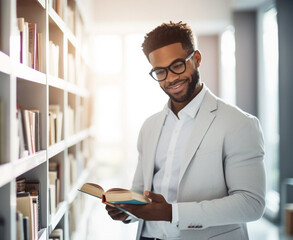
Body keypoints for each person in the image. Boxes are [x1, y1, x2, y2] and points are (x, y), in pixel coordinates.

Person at [105, 21, 266, 240]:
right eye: (160, 71)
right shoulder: (150, 126)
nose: (171, 78)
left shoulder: (239, 123)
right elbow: (141, 190)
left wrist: (172, 213)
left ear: (196, 59)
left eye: (178, 65)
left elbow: (251, 204)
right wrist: (126, 211)